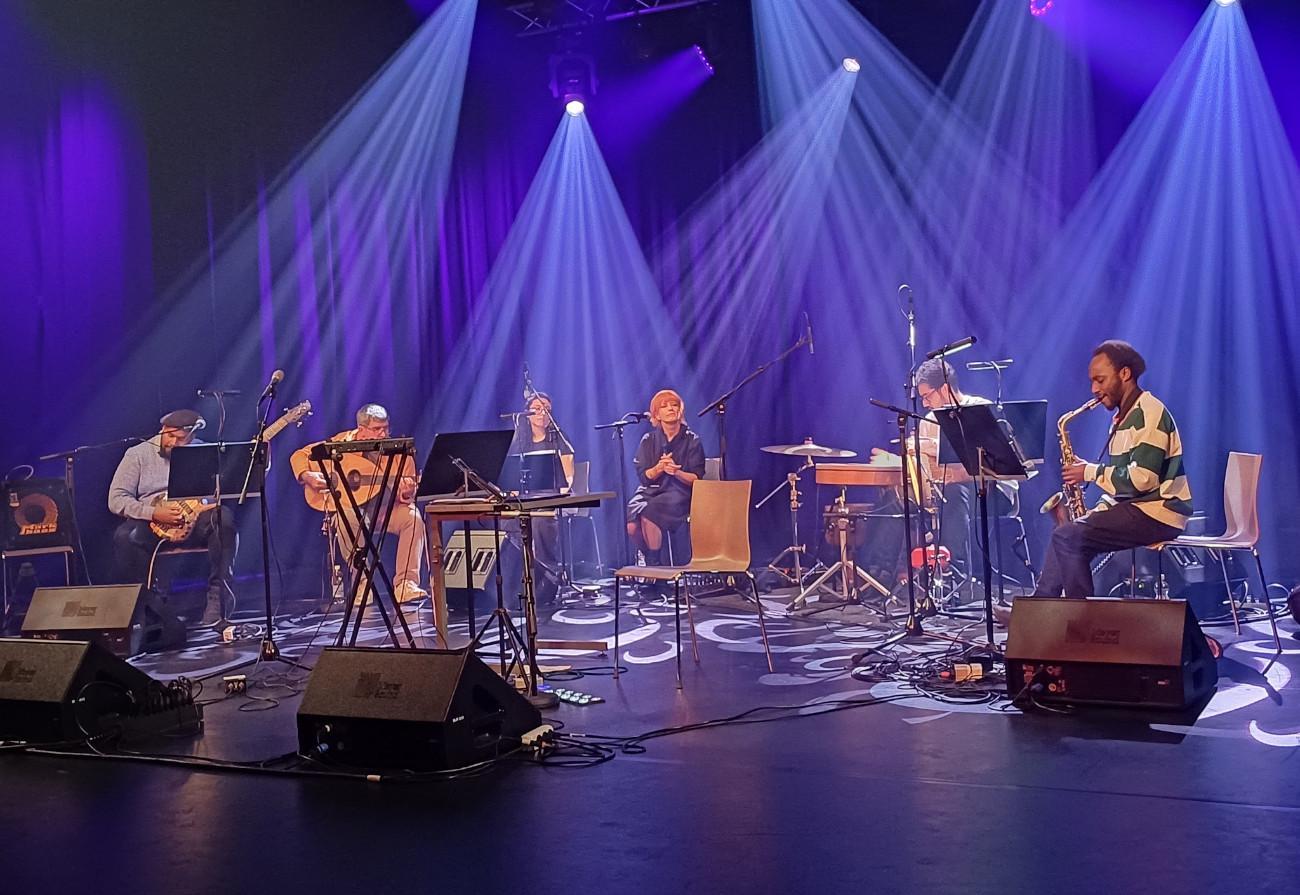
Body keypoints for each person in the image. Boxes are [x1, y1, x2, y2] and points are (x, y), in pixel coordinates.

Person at [1034, 341, 1192, 597]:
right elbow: (1124, 488)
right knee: (1064, 533)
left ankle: (1079, 614)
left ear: (1125, 373)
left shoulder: (1148, 412)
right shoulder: (1123, 418)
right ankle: (1040, 607)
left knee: (1068, 537)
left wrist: (1089, 472)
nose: (1094, 389)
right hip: (1140, 508)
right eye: (1092, 382)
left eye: (1100, 380)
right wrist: (1099, 510)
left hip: (1160, 512)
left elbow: (1143, 480)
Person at [290, 403, 427, 607]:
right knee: (346, 517)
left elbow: (406, 490)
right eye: (376, 429)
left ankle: (406, 584)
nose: (383, 434)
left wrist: (407, 491)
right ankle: (362, 583)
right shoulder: (341, 442)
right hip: (352, 511)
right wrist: (307, 475)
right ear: (361, 429)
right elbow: (299, 455)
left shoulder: (400, 453)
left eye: (386, 428)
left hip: (385, 511)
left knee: (413, 518)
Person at [108, 409, 236, 627]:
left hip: (194, 519)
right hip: (152, 521)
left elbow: (221, 492)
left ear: (192, 437)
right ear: (163, 430)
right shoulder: (137, 454)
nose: (174, 443)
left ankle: (218, 601)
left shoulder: (203, 451)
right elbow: (116, 499)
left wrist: (201, 505)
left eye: (181, 439)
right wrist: (153, 513)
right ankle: (152, 607)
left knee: (223, 520)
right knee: (125, 536)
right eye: (170, 436)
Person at [504, 392, 574, 605]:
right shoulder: (518, 443)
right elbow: (509, 478)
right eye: (537, 408)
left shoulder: (559, 439)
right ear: (527, 413)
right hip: (525, 500)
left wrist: (559, 494)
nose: (542, 413)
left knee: (540, 522)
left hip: (550, 500)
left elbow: (568, 477)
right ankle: (522, 577)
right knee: (509, 521)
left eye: (547, 409)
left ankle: (548, 579)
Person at [627, 389, 706, 565]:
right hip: (651, 491)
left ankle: (655, 568)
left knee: (649, 512)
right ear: (656, 414)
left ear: (680, 410)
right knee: (632, 526)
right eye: (665, 406)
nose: (671, 408)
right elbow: (644, 476)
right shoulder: (648, 440)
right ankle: (649, 556)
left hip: (679, 493)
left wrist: (676, 472)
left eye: (674, 405)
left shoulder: (692, 440)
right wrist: (659, 468)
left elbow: (696, 479)